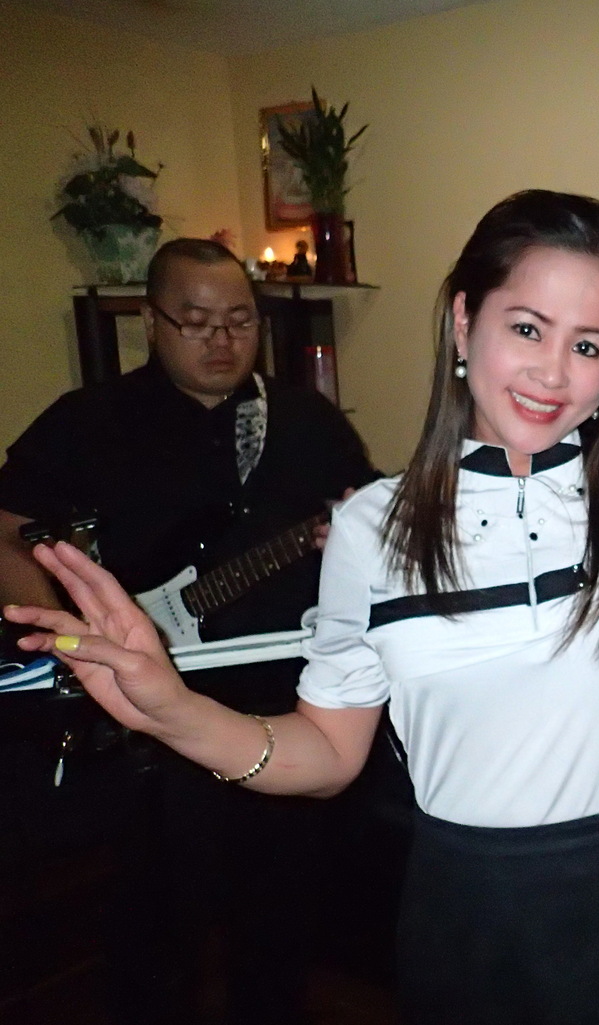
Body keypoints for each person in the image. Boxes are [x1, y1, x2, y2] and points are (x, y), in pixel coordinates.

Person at [5, 192, 599, 1025]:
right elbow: (328, 753)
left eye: (587, 345)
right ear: (464, 322)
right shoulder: (371, 528)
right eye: (527, 328)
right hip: (460, 906)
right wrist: (171, 707)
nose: (553, 373)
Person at [0, 237, 375, 1025]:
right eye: (197, 322)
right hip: (152, 726)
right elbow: (8, 529)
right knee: (155, 925)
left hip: (289, 707)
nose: (223, 339)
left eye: (240, 320)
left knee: (279, 923)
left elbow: (367, 518)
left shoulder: (305, 420)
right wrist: (65, 635)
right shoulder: (88, 421)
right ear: (151, 321)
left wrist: (356, 535)